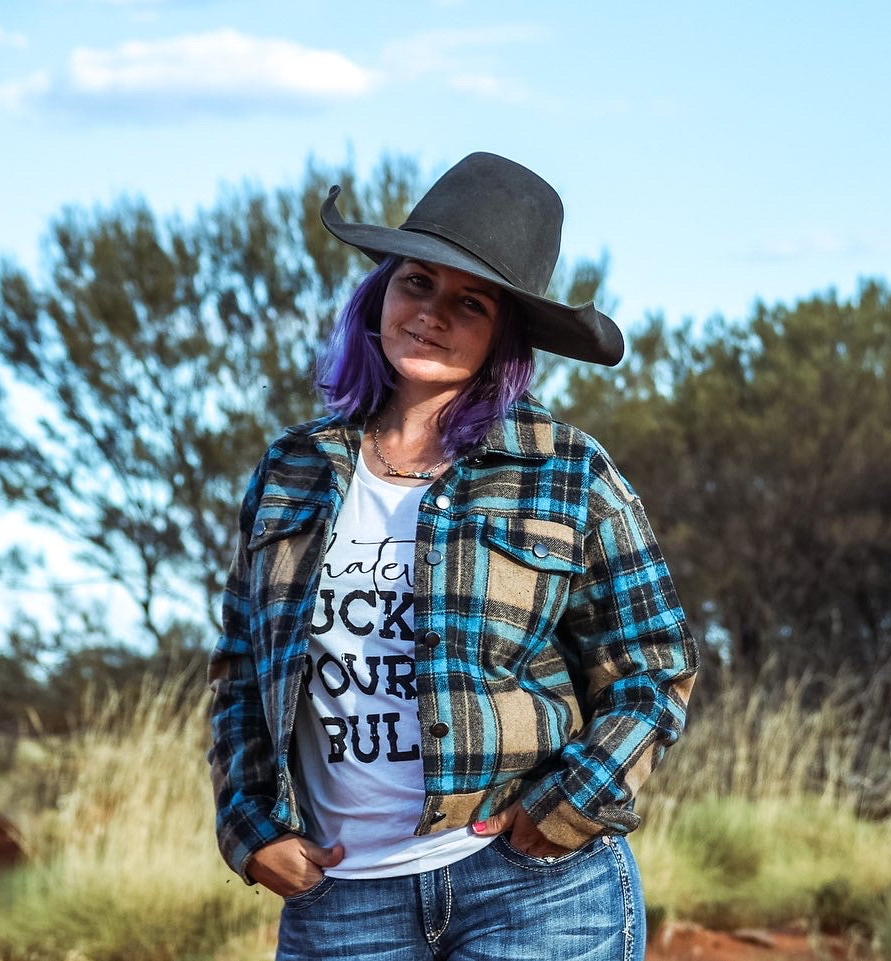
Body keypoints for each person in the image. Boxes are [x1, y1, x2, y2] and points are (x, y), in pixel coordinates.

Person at [207, 152, 698, 961]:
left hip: (530, 889)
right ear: (380, 295)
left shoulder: (565, 470)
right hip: (341, 899)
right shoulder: (294, 468)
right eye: (416, 285)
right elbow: (239, 666)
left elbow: (656, 661)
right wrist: (248, 825)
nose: (431, 314)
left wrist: (571, 802)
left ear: (503, 332)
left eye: (468, 302)